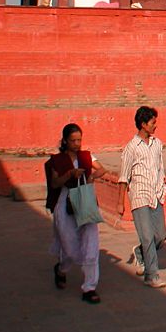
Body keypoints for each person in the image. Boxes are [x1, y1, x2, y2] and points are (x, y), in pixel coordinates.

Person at [45, 123, 106, 303]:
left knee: (91, 244)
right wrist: (70, 174)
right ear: (65, 141)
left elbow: (101, 169)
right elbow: (55, 183)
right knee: (70, 246)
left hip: (85, 200)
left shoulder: (86, 156)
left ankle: (89, 287)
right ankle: (61, 268)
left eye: (79, 140)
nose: (77, 144)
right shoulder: (57, 160)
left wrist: (92, 177)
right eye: (73, 140)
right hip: (65, 202)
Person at [118, 106, 166, 288]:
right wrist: (120, 202)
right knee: (147, 236)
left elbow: (160, 167)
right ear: (143, 124)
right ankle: (151, 275)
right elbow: (123, 176)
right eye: (153, 122)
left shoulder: (157, 144)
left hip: (156, 194)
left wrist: (162, 188)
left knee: (160, 235)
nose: (155, 126)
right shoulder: (131, 148)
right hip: (139, 196)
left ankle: (140, 254)